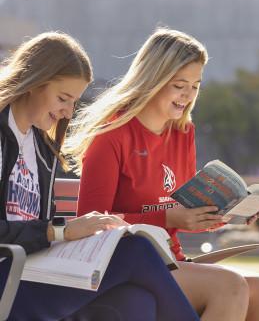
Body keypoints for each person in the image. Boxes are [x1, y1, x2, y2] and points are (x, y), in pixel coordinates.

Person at [66, 27, 259, 321]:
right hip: (126, 265)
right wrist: (166, 218)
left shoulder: (183, 132)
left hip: (173, 260)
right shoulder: (111, 136)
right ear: (154, 79)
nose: (187, 95)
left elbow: (183, 211)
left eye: (195, 85)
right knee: (229, 287)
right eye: (179, 84)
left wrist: (228, 212)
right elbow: (91, 226)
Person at [0, 32, 200, 321]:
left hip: (35, 268)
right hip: (9, 274)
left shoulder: (40, 146)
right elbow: (42, 230)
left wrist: (75, 235)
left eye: (74, 101)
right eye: (63, 98)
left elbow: (41, 223)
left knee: (137, 302)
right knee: (135, 250)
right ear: (33, 83)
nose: (68, 111)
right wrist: (58, 232)